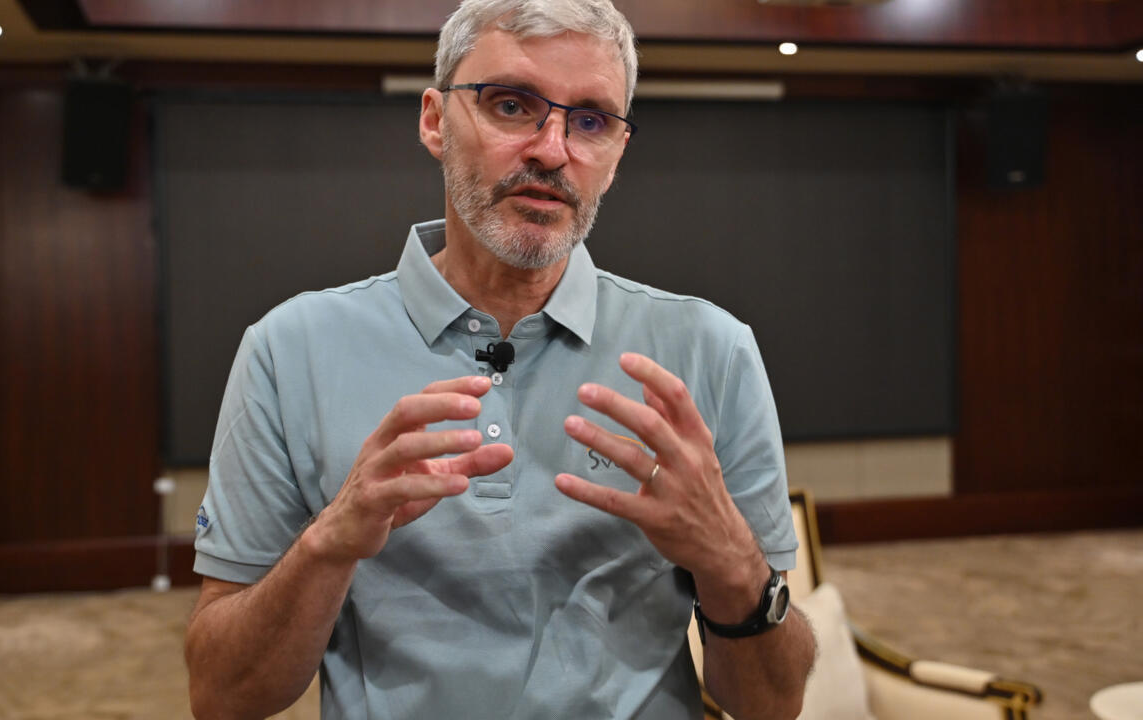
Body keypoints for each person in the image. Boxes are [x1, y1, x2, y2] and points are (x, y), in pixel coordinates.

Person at [185, 0, 816, 718]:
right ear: (435, 121)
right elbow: (223, 695)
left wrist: (731, 561)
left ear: (616, 154)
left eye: (590, 121)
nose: (552, 150)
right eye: (511, 106)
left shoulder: (711, 350)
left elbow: (773, 703)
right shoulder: (289, 349)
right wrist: (327, 545)